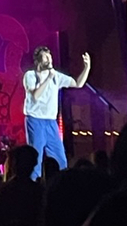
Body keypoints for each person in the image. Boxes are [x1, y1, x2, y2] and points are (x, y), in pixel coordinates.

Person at [21, 46, 89, 180]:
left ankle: (61, 184)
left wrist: (87, 67)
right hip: (35, 120)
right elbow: (35, 95)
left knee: (60, 160)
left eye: (50, 57)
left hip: (51, 122)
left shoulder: (56, 76)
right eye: (46, 57)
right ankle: (35, 187)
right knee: (36, 159)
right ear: (38, 61)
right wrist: (47, 79)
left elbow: (77, 84)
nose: (49, 60)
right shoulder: (30, 75)